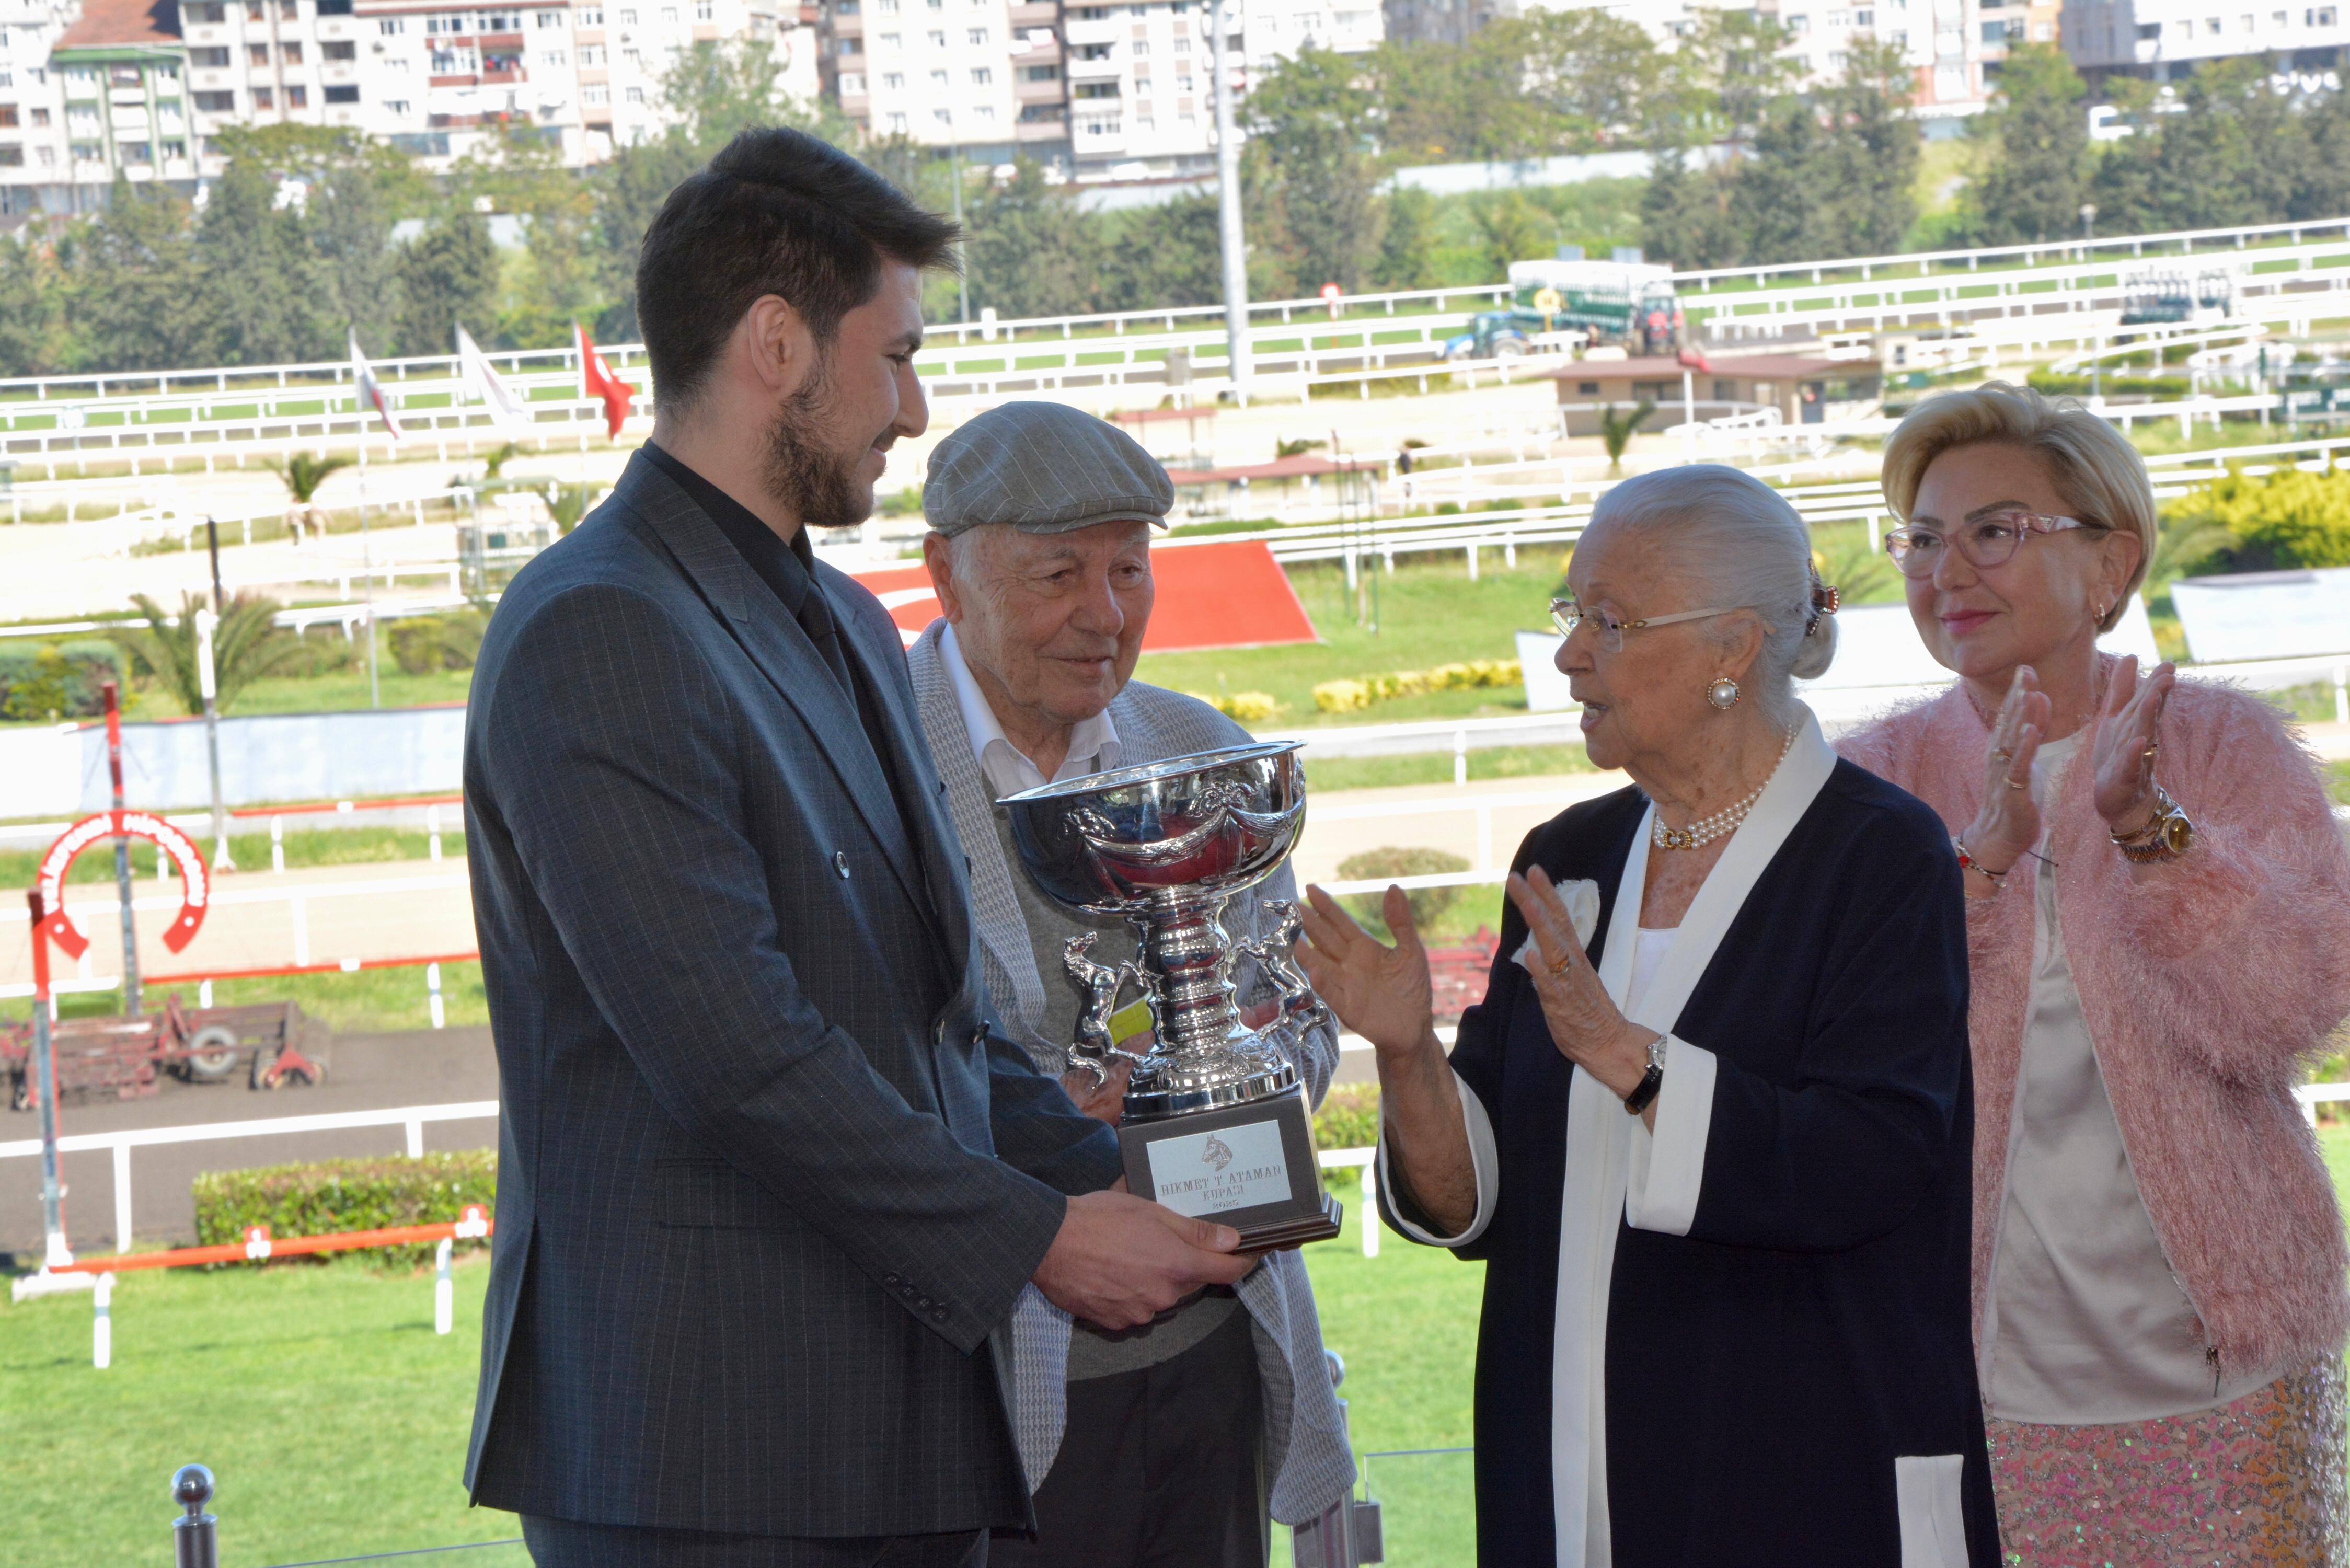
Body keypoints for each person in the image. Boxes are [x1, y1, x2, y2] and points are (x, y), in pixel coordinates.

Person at [459, 129, 1255, 1568]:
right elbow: (737, 1054)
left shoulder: (840, 620)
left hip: (891, 1436)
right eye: (894, 358)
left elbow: (931, 1019)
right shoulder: (601, 626)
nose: (913, 407)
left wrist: (1138, 1179)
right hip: (708, 1457)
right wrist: (1045, 1238)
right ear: (778, 345)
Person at [1295, 463, 1999, 1567]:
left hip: (1802, 1463)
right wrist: (1404, 1056)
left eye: (1609, 621)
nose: (1570, 655)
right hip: (1560, 1462)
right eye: (1571, 614)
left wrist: (1629, 1057)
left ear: (1732, 649)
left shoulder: (1877, 854)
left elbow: (1873, 1160)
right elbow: (1476, 1199)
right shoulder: (1569, 854)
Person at [1836, 382, 2350, 1564]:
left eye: (1994, 531)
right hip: (1970, 1381)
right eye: (1923, 538)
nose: (1946, 571)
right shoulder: (1875, 782)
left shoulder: (2221, 746)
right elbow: (1856, 1054)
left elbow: (2295, 1010)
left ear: (2109, 564)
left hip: (2229, 1372)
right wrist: (1976, 871)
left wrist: (2151, 833)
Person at [907, 401, 1355, 1568]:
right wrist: (1047, 1126)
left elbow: (1299, 1019)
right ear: (946, 576)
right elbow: (837, 1073)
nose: (1104, 615)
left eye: (1129, 570)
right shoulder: (866, 760)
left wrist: (1211, 1091)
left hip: (1214, 1362)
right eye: (1060, 574)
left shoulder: (1203, 752)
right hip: (972, 1394)